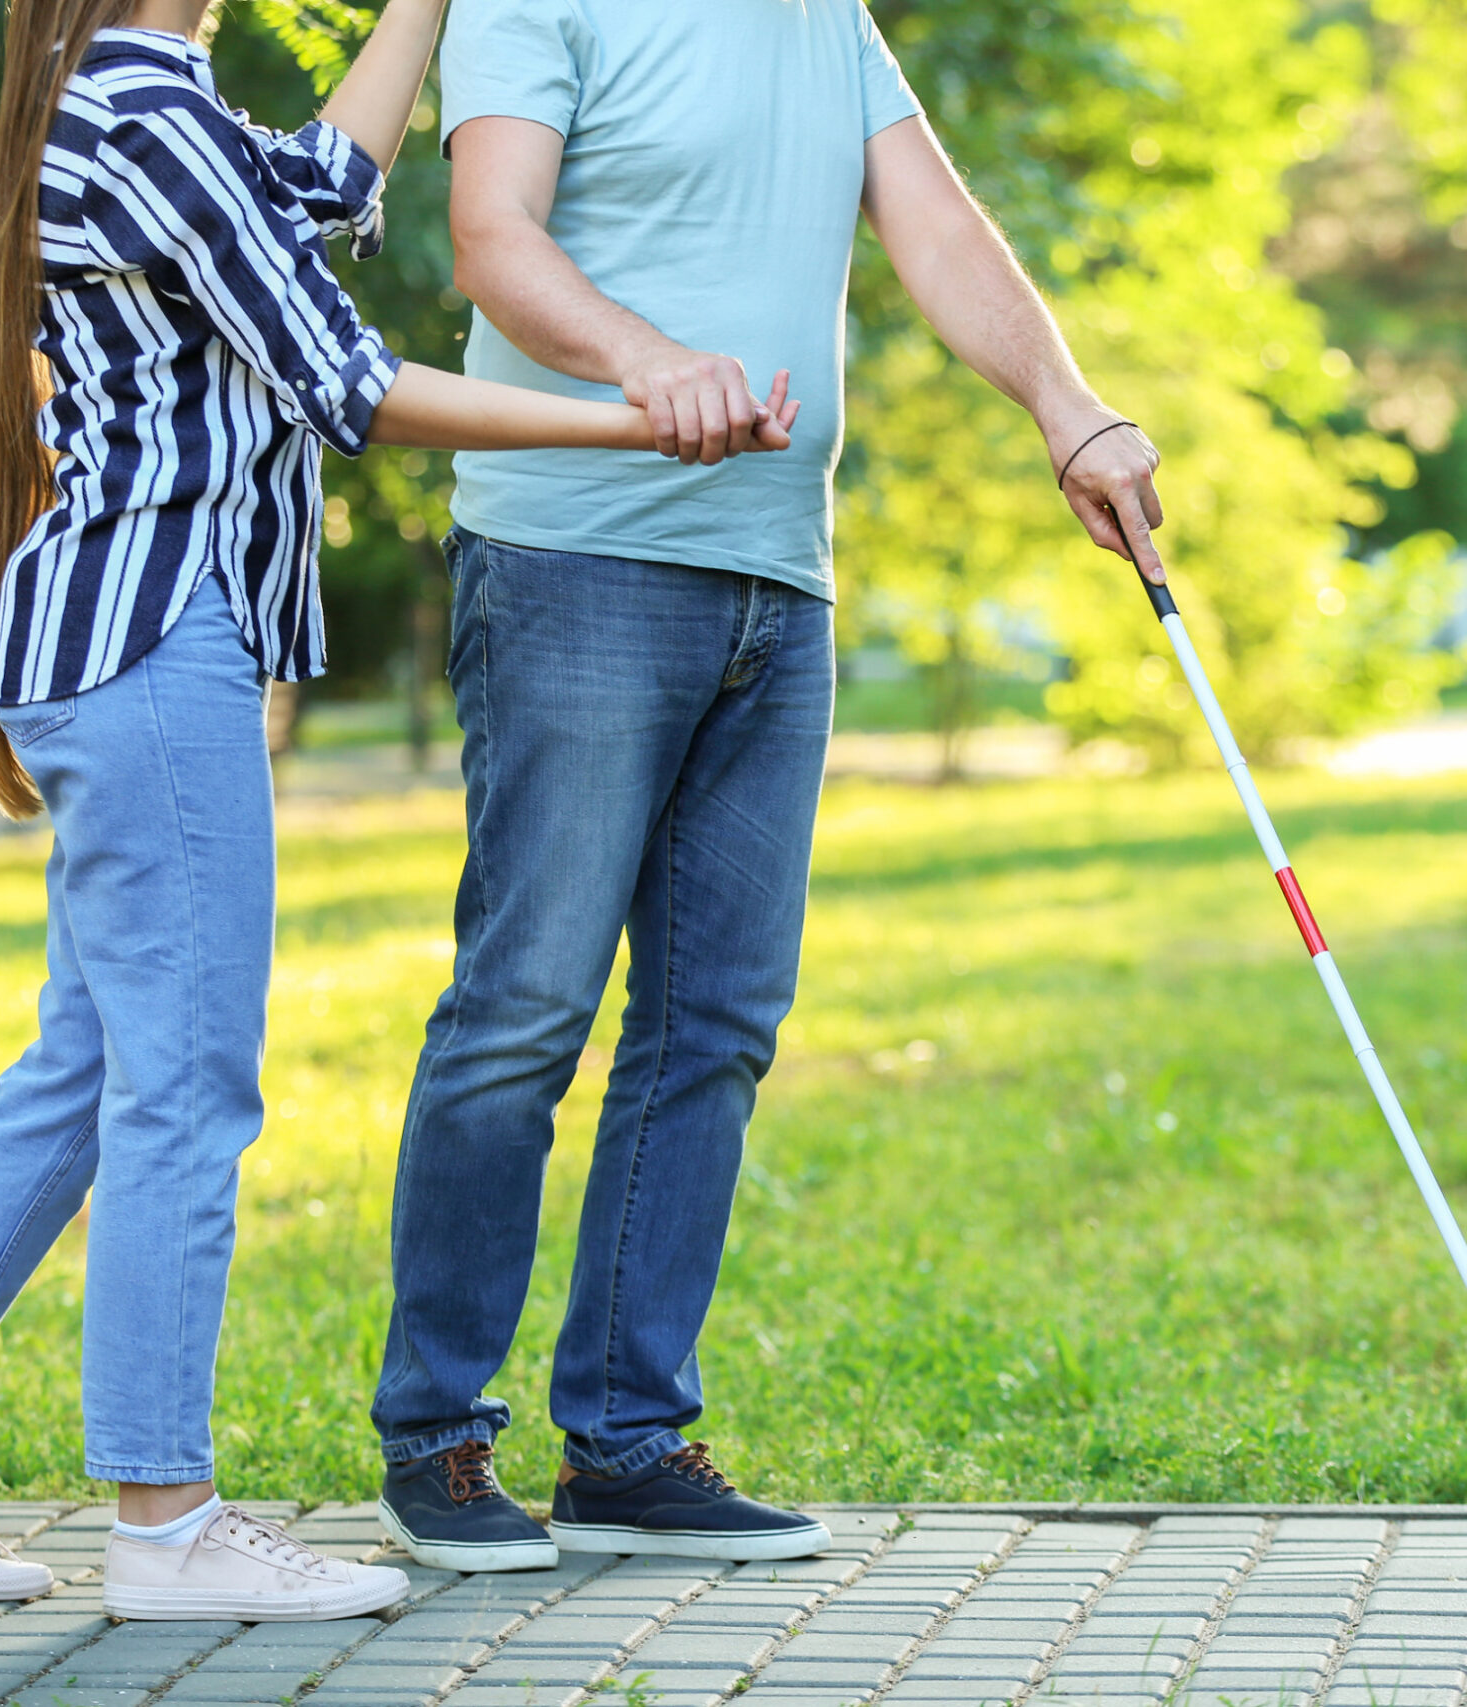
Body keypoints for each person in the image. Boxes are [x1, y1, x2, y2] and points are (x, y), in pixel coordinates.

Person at [0, 0, 796, 1622]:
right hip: (156, 642)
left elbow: (320, 185)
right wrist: (636, 417)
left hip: (119, 641)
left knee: (90, 1064)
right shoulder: (139, 110)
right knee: (182, 1091)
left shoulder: (144, 107)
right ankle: (164, 1523)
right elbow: (348, 382)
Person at [370, 0, 1167, 1572]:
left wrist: (1067, 405)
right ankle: (439, 1440)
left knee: (717, 1024)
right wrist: (648, 361)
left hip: (773, 578)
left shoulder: (824, 15)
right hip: (573, 559)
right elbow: (491, 239)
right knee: (527, 1003)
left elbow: (938, 229)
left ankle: (627, 1441)